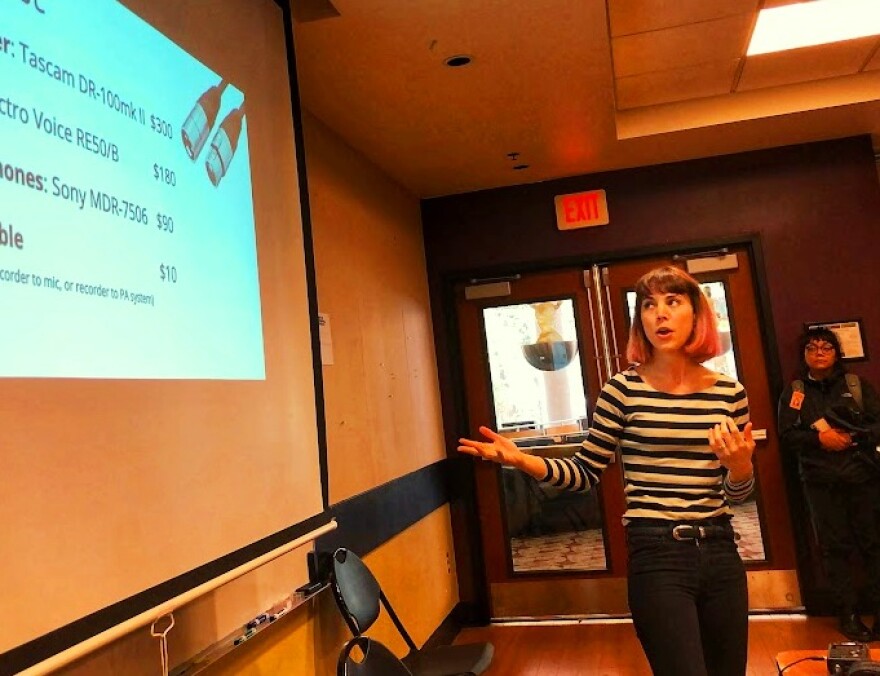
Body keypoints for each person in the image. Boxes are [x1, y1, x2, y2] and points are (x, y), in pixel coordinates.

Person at [459, 266, 755, 676]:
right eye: (649, 305)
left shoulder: (730, 393)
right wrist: (520, 459)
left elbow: (736, 493)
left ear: (697, 314)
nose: (659, 314)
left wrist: (740, 468)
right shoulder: (622, 390)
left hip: (722, 551)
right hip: (658, 553)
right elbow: (584, 472)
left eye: (673, 302)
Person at [778, 327, 880, 641]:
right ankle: (847, 615)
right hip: (819, 482)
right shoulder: (795, 392)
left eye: (826, 347)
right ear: (804, 354)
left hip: (863, 477)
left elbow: (878, 424)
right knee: (834, 549)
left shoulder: (856, 385)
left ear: (837, 353)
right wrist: (820, 439)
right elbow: (787, 434)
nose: (819, 353)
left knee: (874, 544)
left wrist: (852, 438)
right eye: (812, 347)